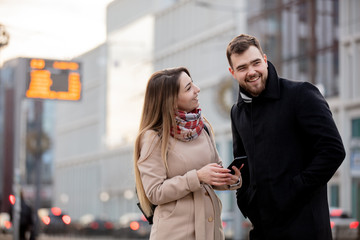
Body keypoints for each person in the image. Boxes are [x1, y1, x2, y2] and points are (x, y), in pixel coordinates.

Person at [226, 34, 346, 240]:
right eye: (242, 67)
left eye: (256, 63)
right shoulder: (237, 112)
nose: (252, 72)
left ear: (265, 59)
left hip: (306, 229)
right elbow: (243, 165)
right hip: (263, 230)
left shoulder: (301, 94)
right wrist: (247, 202)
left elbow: (333, 151)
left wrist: (293, 190)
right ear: (232, 72)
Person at [134, 67, 242, 240]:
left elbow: (213, 172)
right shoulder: (153, 138)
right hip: (175, 234)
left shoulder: (202, 127)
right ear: (171, 100)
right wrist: (197, 177)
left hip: (211, 232)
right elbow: (154, 192)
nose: (197, 89)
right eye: (188, 88)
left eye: (193, 84)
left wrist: (229, 179)